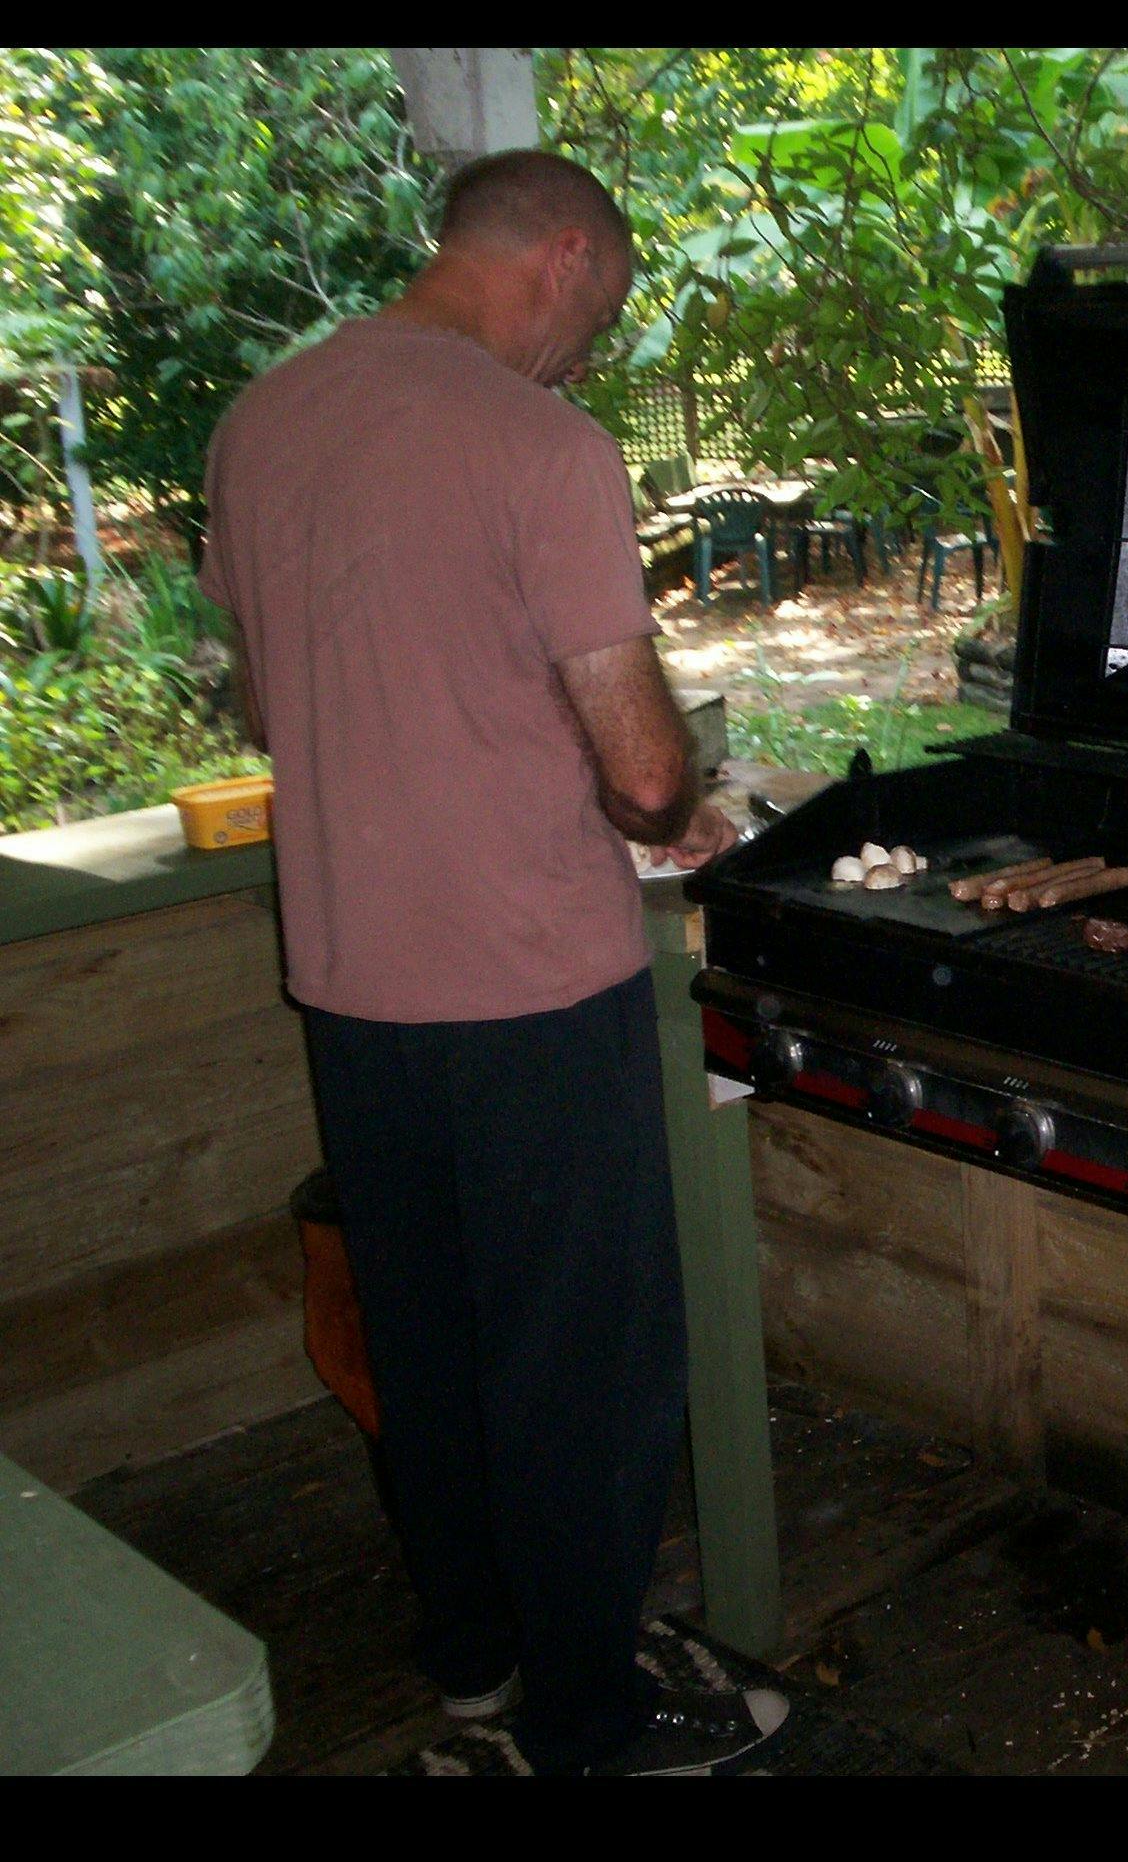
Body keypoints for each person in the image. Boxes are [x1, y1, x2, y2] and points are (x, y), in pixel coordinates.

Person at [199, 149, 785, 1776]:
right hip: (532, 988)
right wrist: (673, 809)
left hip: (353, 990)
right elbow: (649, 772)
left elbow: (274, 711)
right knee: (579, 1378)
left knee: (434, 1345)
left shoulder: (262, 423)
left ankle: (472, 1665)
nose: (591, 350)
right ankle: (590, 1723)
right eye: (598, 312)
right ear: (567, 257)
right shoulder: (541, 441)